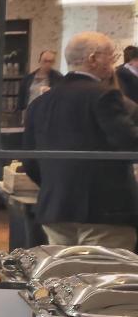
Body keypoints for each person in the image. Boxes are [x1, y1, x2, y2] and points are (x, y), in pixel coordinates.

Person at [21, 32, 138, 249]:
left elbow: (29, 160)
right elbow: (130, 143)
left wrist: (59, 184)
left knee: (64, 270)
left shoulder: (40, 103)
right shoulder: (104, 95)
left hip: (56, 210)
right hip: (105, 210)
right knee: (103, 270)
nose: (113, 64)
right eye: (110, 57)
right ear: (93, 59)